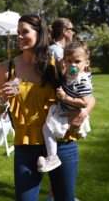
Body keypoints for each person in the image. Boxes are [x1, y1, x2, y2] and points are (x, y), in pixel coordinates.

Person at [0, 13, 95, 200]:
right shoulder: (6, 68)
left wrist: (83, 112)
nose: (20, 37)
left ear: (39, 33)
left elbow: (89, 97)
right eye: (18, 33)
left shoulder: (57, 65)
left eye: (25, 32)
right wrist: (3, 100)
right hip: (26, 145)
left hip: (62, 142)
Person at [39, 41, 93, 173]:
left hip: (69, 112)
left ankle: (52, 156)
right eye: (69, 61)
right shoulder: (72, 75)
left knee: (47, 128)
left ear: (86, 63)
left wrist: (65, 98)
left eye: (77, 61)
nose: (72, 65)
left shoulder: (82, 80)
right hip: (64, 108)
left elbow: (85, 102)